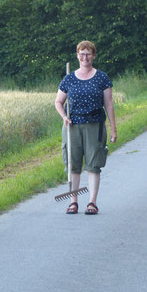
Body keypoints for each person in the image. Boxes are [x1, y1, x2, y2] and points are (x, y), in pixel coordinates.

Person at [55, 41, 117, 215]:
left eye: (88, 54)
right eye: (81, 54)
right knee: (73, 165)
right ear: (77, 55)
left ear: (94, 56)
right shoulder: (69, 79)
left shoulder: (102, 78)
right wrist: (64, 116)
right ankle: (73, 201)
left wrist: (113, 129)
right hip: (72, 126)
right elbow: (58, 102)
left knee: (93, 165)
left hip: (94, 126)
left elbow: (109, 105)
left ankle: (92, 202)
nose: (85, 57)